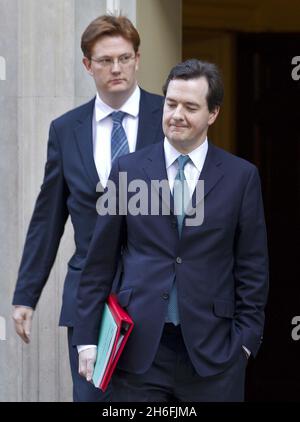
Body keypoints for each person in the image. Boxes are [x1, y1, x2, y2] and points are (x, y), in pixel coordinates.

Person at [73, 59, 269, 402]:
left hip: (214, 356)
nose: (177, 114)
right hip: (138, 353)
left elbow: (253, 267)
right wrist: (88, 337)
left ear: (213, 113)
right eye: (171, 103)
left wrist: (246, 343)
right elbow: (99, 261)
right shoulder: (128, 170)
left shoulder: (242, 177)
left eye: (190, 106)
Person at [11, 14, 164, 402]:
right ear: (87, 65)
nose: (117, 68)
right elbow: (47, 219)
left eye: (125, 58)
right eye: (105, 60)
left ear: (137, 59)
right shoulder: (66, 129)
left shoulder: (167, 118)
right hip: (89, 299)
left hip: (157, 291)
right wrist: (26, 295)